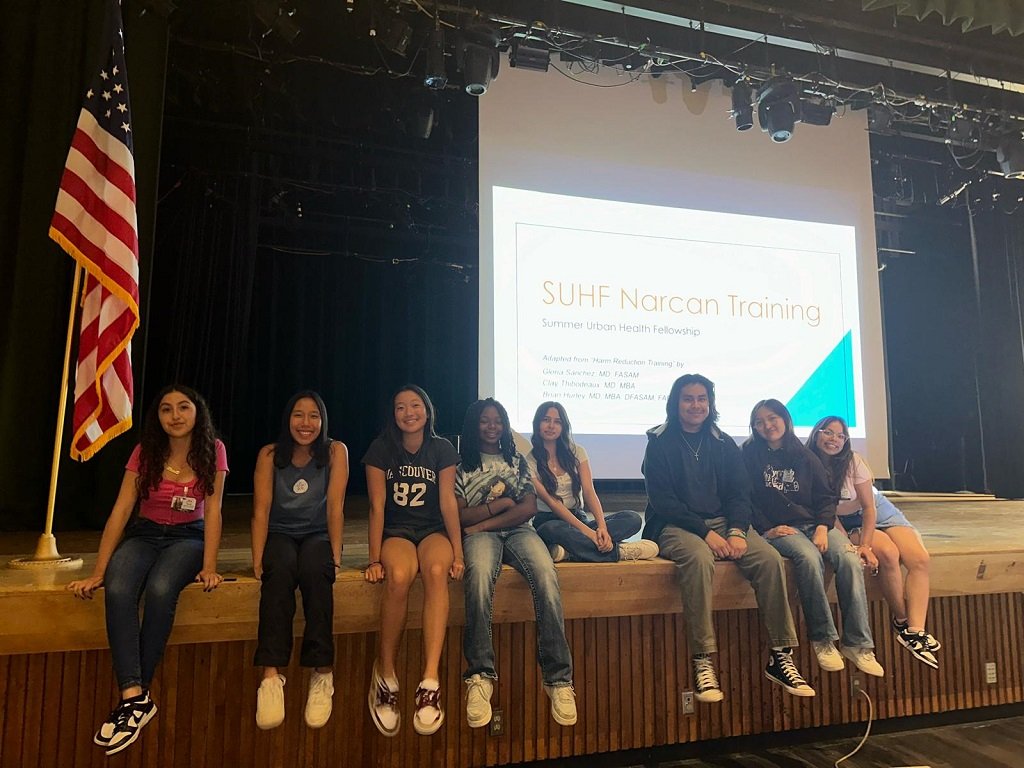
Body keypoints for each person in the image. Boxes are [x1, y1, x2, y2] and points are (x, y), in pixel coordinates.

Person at [67, 385, 227, 756]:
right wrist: (98, 570)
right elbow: (122, 509)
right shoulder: (146, 451)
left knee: (160, 589)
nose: (175, 415)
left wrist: (209, 566)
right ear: (158, 416)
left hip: (188, 538)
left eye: (183, 407)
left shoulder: (213, 449)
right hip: (145, 534)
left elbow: (214, 511)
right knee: (118, 588)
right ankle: (134, 698)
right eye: (166, 409)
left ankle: (132, 703)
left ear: (197, 412)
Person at [642, 374, 814, 703]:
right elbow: (664, 502)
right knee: (698, 559)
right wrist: (706, 534)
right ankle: (702, 659)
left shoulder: (723, 443)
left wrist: (736, 530)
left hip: (724, 523)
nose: (696, 405)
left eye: (702, 398)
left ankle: (780, 655)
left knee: (769, 559)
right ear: (676, 403)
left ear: (710, 403)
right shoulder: (659, 442)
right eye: (688, 398)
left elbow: (739, 493)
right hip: (675, 524)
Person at [457, 398, 577, 729]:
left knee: (546, 574)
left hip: (518, 532)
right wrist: (498, 508)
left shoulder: (516, 460)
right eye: (485, 420)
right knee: (479, 577)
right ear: (474, 424)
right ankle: (480, 675)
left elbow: (528, 509)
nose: (492, 426)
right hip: (482, 538)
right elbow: (459, 514)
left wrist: (482, 521)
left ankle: (558, 679)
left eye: (498, 420)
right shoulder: (461, 465)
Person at [743, 399, 884, 678]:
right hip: (782, 529)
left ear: (785, 419)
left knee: (849, 558)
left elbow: (825, 497)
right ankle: (823, 640)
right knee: (808, 558)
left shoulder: (804, 455)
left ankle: (858, 644)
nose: (767, 426)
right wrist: (766, 529)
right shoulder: (748, 455)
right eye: (759, 422)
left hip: (816, 524)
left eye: (772, 418)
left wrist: (822, 526)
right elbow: (746, 498)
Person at [363, 385, 464, 737]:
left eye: (415, 405)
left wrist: (458, 553)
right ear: (393, 414)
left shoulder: (442, 448)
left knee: (436, 570)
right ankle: (386, 674)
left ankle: (430, 681)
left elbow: (448, 502)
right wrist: (373, 559)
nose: (409, 412)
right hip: (397, 532)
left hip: (433, 531)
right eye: (401, 407)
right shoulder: (381, 449)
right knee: (400, 575)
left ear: (427, 410)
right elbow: (376, 507)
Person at [807, 415, 939, 668]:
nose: (834, 439)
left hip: (874, 510)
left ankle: (915, 631)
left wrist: (865, 545)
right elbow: (826, 513)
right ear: (816, 433)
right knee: (888, 552)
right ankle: (902, 622)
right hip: (841, 521)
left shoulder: (853, 461)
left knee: (920, 559)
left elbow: (870, 508)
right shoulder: (807, 463)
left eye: (840, 435)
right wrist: (851, 545)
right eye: (828, 432)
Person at [252, 391, 349, 730]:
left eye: (313, 416)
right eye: (298, 415)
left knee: (315, 570)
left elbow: (335, 506)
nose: (306, 423)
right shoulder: (269, 454)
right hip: (280, 533)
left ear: (323, 421)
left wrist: (336, 555)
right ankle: (270, 676)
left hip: (317, 534)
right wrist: (257, 559)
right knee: (278, 571)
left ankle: (322, 673)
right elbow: (261, 510)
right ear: (288, 419)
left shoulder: (335, 451)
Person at [527, 401, 657, 563]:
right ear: (537, 423)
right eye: (546, 420)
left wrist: (601, 528)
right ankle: (620, 552)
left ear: (563, 426)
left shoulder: (577, 452)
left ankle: (569, 552)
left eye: (557, 421)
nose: (551, 426)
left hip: (578, 517)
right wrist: (589, 534)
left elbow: (589, 492)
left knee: (632, 518)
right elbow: (553, 503)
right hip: (549, 520)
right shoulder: (529, 461)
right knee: (551, 529)